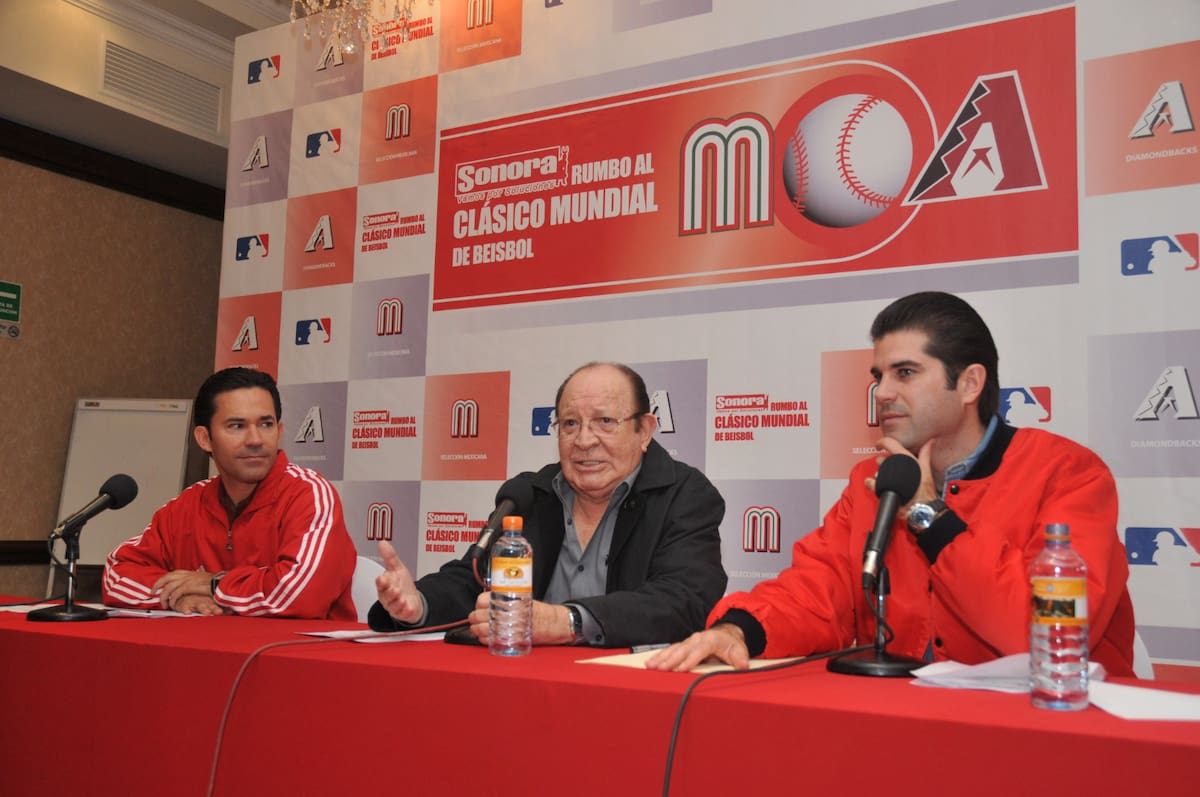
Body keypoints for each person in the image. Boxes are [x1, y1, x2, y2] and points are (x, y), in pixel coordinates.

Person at [647, 291, 1136, 675]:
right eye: (879, 374)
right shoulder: (872, 479)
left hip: (1053, 732)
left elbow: (1048, 633)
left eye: (906, 372)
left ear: (969, 384)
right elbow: (816, 589)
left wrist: (930, 515)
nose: (881, 393)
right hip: (906, 725)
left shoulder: (1068, 473)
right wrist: (740, 630)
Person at [369, 362, 727, 648]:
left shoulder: (685, 495)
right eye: (570, 424)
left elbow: (683, 600)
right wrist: (418, 604)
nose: (585, 440)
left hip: (634, 691)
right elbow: (474, 582)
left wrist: (566, 622)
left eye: (605, 422)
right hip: (527, 687)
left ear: (645, 431)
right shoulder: (531, 494)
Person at [102, 367, 357, 619]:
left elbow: (299, 595)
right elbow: (116, 575)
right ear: (205, 439)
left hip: (297, 656)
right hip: (207, 654)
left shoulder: (308, 494)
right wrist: (178, 596)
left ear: (279, 432)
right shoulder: (188, 504)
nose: (255, 439)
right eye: (237, 426)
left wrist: (215, 586)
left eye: (265, 424)